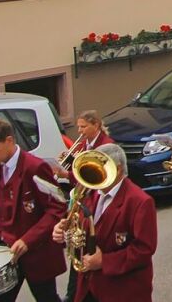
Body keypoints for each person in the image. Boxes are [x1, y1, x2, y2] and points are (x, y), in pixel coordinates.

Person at [52, 144, 157, 302]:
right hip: (89, 286)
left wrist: (104, 261)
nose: (94, 175)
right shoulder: (89, 192)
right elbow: (77, 223)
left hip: (122, 290)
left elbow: (144, 250)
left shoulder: (140, 201)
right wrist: (63, 231)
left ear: (119, 169)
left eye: (100, 169)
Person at [0, 118, 66, 302]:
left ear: (9, 141)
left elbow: (56, 208)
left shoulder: (36, 167)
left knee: (46, 297)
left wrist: (27, 240)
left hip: (36, 253)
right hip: (7, 252)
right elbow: (6, 205)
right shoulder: (1, 165)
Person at [54, 109, 114, 302]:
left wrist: (68, 175)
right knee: (76, 247)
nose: (79, 131)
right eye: (78, 126)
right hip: (81, 200)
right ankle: (73, 293)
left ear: (96, 125)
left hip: (95, 200)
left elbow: (93, 176)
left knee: (85, 248)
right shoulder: (83, 143)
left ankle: (79, 293)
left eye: (83, 127)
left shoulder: (106, 146)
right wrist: (70, 161)